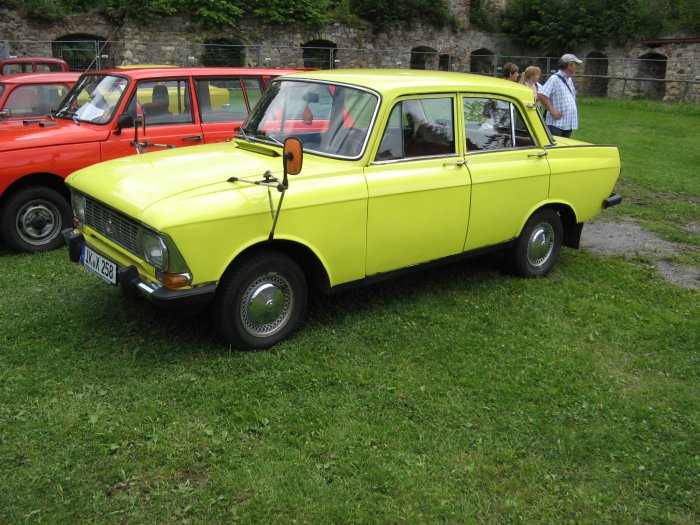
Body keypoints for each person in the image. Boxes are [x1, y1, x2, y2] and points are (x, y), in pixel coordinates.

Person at [538, 53, 582, 138]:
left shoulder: (569, 79)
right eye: (575, 64)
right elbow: (541, 95)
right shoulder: (554, 79)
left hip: (567, 123)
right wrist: (552, 110)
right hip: (556, 124)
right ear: (569, 65)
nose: (576, 66)